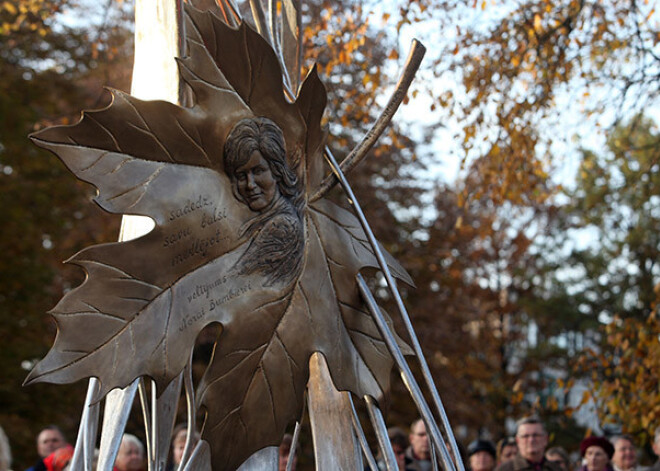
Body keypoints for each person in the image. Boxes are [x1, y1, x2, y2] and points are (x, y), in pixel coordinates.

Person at [223, 117, 304, 287]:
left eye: (258, 171)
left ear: (277, 171)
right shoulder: (263, 222)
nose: (250, 184)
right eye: (241, 176)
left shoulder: (282, 227)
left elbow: (233, 286)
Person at [494, 416, 560, 471]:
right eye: (526, 436)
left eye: (536, 435)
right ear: (518, 441)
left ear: (546, 439)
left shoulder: (556, 469)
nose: (531, 440)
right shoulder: (504, 469)